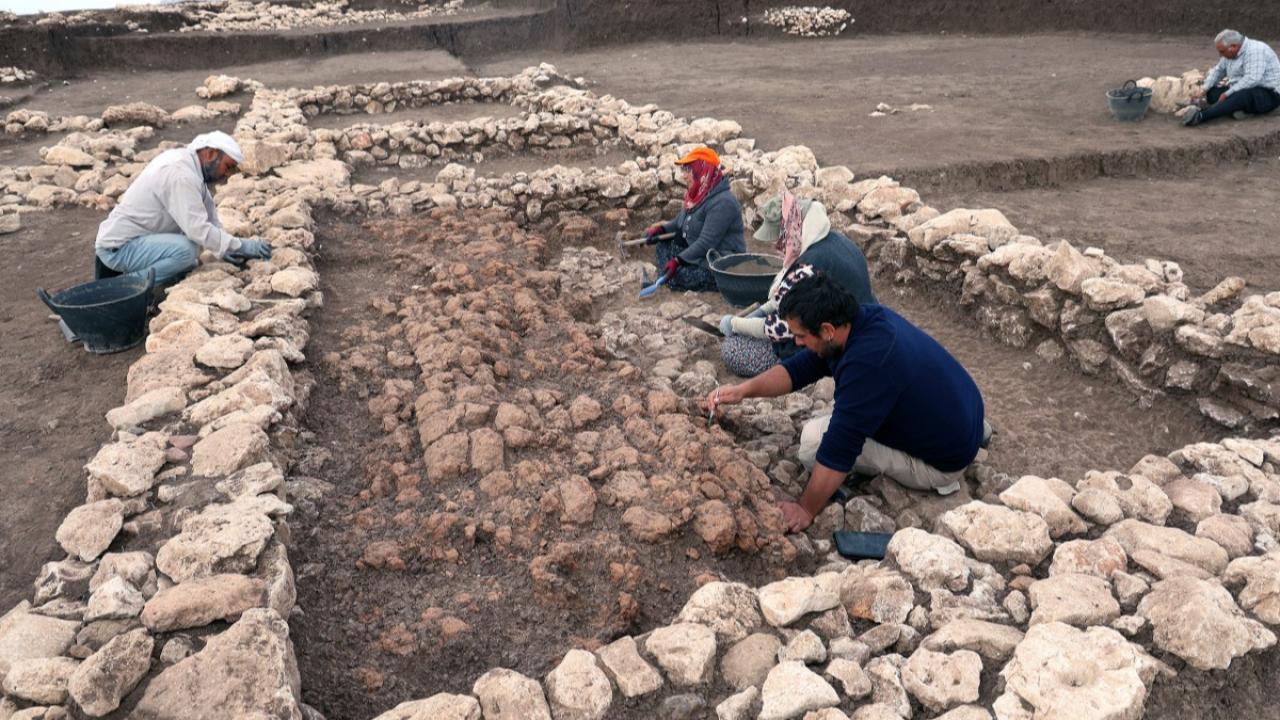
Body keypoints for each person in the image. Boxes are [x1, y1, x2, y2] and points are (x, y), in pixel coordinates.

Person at [707, 273, 987, 532]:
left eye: (801, 335)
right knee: (852, 406)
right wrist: (744, 390)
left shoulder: (869, 363)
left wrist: (805, 508)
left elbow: (840, 446)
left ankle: (944, 474)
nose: (797, 341)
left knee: (813, 443)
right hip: (963, 419)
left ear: (826, 329)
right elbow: (798, 369)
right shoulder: (864, 320)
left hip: (943, 463)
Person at [717, 190, 877, 377]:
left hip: (838, 342)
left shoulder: (808, 265)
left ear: (791, 230)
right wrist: (757, 313)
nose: (778, 245)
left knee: (733, 349)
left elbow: (784, 327)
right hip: (862, 324)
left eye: (779, 237)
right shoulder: (835, 240)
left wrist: (735, 324)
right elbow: (784, 297)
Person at [95, 131, 272, 288]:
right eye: (228, 166)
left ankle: (151, 279)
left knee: (190, 256)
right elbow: (198, 229)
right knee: (187, 251)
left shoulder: (190, 167)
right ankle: (125, 288)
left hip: (137, 241)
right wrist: (242, 246)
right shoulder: (181, 174)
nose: (227, 174)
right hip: (118, 249)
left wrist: (226, 248)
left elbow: (209, 217)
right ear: (210, 154)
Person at [643, 146, 745, 292]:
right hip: (701, 255)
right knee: (662, 246)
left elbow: (706, 242)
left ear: (703, 171)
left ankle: (670, 278)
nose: (684, 176)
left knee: (680, 275)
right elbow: (680, 221)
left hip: (719, 263)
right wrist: (660, 230)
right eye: (684, 170)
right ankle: (667, 276)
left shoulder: (723, 202)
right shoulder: (698, 195)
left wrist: (678, 261)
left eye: (689, 170)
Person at [1183, 29, 1280, 126]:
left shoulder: (1256, 50)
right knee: (1212, 93)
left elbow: (1252, 79)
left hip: (1268, 94)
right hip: (1240, 90)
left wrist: (1228, 93)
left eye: (1222, 51)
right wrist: (1204, 89)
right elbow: (1219, 71)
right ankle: (1237, 109)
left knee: (1241, 96)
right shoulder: (1229, 54)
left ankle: (1201, 116)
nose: (1220, 55)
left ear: (1233, 46)